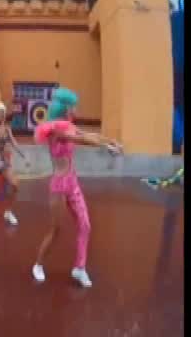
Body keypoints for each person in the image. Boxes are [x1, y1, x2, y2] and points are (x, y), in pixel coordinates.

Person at [32, 88, 123, 288]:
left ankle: (79, 268)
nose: (76, 109)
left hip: (72, 183)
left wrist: (110, 141)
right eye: (74, 106)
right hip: (58, 186)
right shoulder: (56, 130)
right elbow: (81, 139)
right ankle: (38, 264)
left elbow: (88, 134)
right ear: (66, 108)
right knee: (56, 230)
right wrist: (105, 146)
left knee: (85, 225)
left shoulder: (69, 126)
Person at [0, 101, 28, 226]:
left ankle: (8, 212)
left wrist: (24, 157)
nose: (1, 115)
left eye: (3, 112)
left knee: (15, 185)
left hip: (4, 160)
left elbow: (14, 143)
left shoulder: (7, 128)